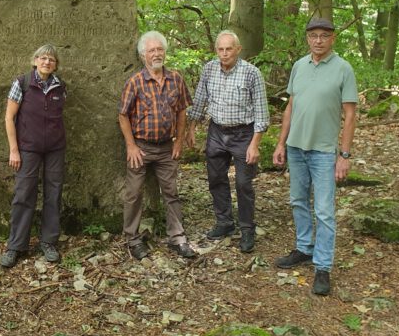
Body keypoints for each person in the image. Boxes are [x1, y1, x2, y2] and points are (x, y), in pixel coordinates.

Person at [272, 16, 358, 296]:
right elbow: (291, 107)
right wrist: (280, 144)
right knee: (298, 200)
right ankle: (304, 248)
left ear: (332, 38)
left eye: (323, 35)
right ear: (307, 38)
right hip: (296, 148)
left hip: (323, 151)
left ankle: (323, 267)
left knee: (324, 210)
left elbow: (349, 114)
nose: (318, 40)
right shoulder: (299, 66)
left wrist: (344, 155)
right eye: (313, 36)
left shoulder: (343, 68)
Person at [186, 30, 269, 253]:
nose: (224, 54)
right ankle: (224, 222)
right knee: (215, 178)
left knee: (243, 183)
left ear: (238, 50)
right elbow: (200, 101)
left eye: (228, 49)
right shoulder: (209, 69)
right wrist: (192, 128)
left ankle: (247, 229)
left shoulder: (252, 74)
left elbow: (262, 113)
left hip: (243, 134)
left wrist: (255, 144)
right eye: (220, 49)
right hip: (216, 131)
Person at [118, 31, 197, 260]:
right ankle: (132, 239)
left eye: (159, 49)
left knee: (171, 192)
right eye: (151, 50)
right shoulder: (135, 82)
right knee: (133, 194)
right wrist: (131, 146)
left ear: (165, 52)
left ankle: (178, 238)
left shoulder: (176, 79)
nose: (156, 54)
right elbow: (123, 115)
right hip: (141, 148)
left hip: (166, 148)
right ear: (143, 55)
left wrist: (179, 141)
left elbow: (182, 110)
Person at [0, 45, 67, 268]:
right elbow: (10, 117)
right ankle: (15, 246)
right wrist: (14, 149)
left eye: (52, 60)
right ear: (35, 60)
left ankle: (48, 242)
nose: (47, 62)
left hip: (55, 148)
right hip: (27, 148)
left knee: (53, 193)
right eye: (43, 58)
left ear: (55, 64)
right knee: (23, 194)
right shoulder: (23, 83)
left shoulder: (60, 87)